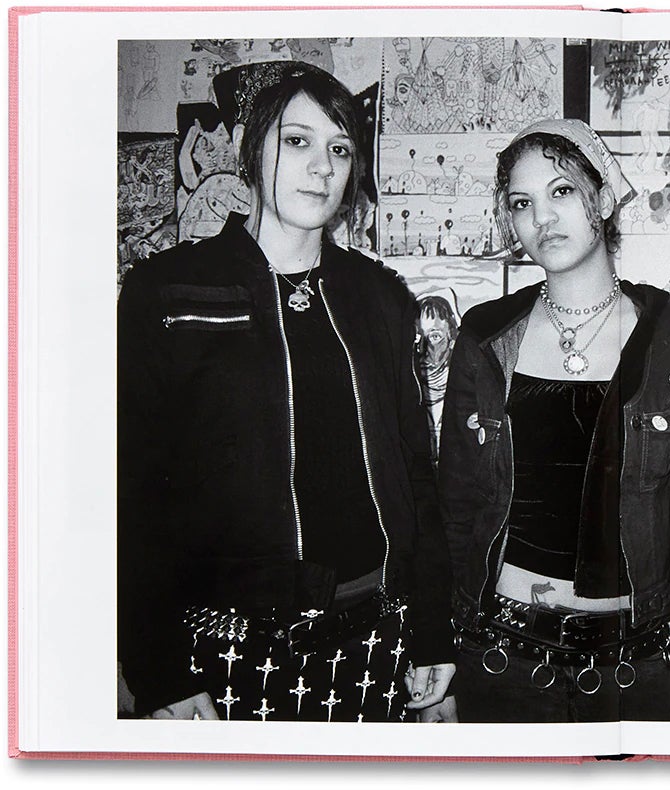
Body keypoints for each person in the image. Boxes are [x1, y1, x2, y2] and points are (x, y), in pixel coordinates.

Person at [117, 62, 455, 722]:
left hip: (373, 646)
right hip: (221, 656)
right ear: (253, 149)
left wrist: (432, 631)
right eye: (296, 141)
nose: (321, 167)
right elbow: (130, 491)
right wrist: (155, 664)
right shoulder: (169, 292)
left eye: (339, 148)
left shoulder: (381, 298)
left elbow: (418, 479)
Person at [437, 119, 670, 722]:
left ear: (602, 198)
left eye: (562, 191)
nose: (542, 218)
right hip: (499, 659)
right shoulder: (485, 335)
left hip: (634, 666)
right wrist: (439, 653)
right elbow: (455, 507)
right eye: (522, 203)